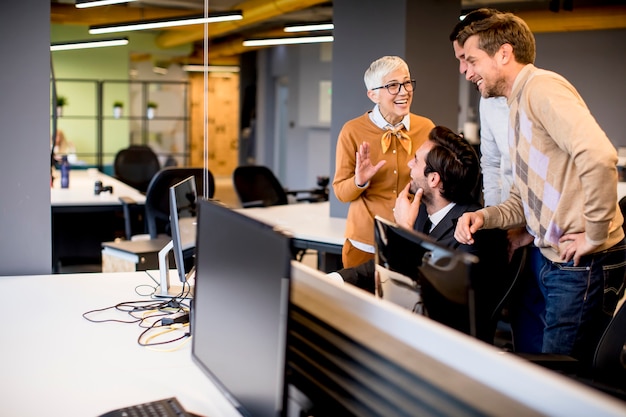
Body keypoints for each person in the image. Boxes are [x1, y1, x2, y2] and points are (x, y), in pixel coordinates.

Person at [454, 12, 626, 365]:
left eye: (471, 60)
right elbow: (523, 196)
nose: (465, 70)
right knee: (548, 370)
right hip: (555, 257)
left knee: (562, 379)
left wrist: (594, 234)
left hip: (581, 262)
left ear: (503, 54)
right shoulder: (516, 102)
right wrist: (484, 217)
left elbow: (599, 156)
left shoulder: (542, 88)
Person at [333, 126, 509, 343]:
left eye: (415, 160)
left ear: (433, 179)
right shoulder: (423, 210)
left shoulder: (473, 232)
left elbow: (431, 306)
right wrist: (336, 279)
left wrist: (404, 232)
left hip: (445, 348)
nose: (409, 164)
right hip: (411, 335)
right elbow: (378, 268)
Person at [333, 55, 435, 269]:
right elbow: (341, 192)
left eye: (407, 82)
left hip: (411, 239)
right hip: (365, 243)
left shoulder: (426, 128)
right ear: (373, 95)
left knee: (404, 302)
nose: (404, 91)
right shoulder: (352, 131)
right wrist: (359, 181)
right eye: (393, 86)